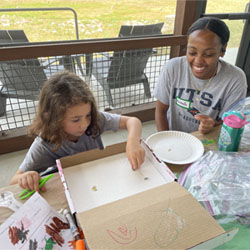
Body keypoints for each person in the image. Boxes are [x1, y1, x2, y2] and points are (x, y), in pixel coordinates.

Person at [10, 71, 145, 191]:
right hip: (75, 189)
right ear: (52, 117)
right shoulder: (45, 144)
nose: (85, 124)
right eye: (75, 120)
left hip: (100, 179)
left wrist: (133, 142)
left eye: (88, 115)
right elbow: (14, 181)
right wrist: (26, 178)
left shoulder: (95, 120)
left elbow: (133, 121)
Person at [154, 17, 247, 134]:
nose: (198, 61)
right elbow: (160, 111)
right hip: (175, 139)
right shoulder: (173, 68)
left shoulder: (235, 79)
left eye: (208, 54)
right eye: (192, 52)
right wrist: (165, 139)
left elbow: (230, 123)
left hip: (208, 140)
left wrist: (213, 125)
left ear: (222, 50)